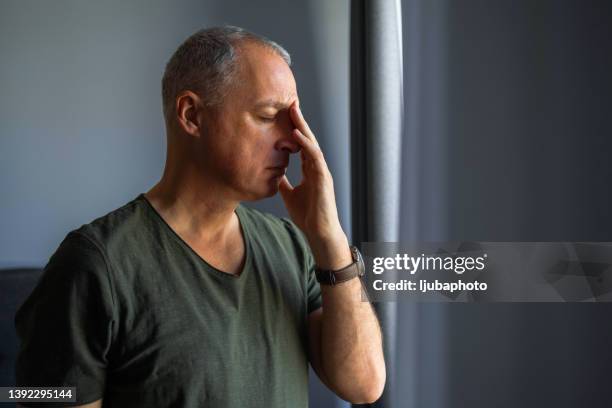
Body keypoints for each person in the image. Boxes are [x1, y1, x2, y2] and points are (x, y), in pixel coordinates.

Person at [15, 26, 385, 407]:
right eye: (268, 115)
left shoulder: (291, 246)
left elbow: (363, 385)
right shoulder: (94, 263)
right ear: (192, 115)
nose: (293, 140)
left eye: (292, 119)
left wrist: (330, 240)